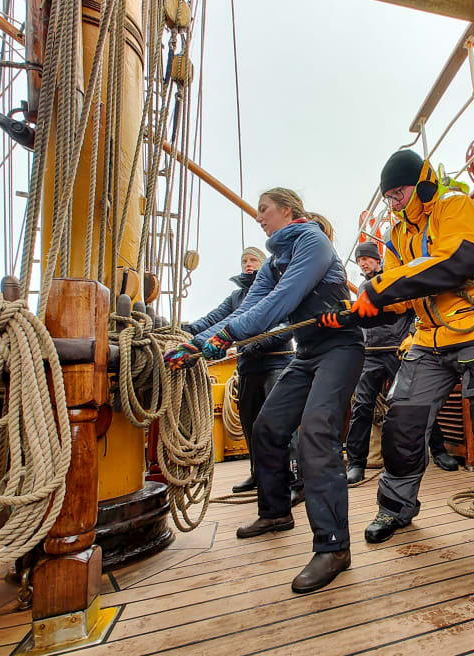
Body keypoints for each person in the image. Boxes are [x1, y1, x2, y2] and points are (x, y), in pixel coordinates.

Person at [325, 150, 474, 595]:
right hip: (430, 338)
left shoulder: (456, 207)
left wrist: (379, 287)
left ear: (423, 181)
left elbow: (458, 262)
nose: (394, 202)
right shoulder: (396, 234)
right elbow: (397, 297)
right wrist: (355, 314)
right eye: (389, 196)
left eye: (400, 192)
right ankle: (396, 507)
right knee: (402, 425)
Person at [166, 188, 363, 594]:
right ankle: (275, 513)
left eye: (264, 210)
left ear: (287, 211)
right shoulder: (274, 261)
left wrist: (227, 336)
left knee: (316, 435)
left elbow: (282, 300)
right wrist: (197, 341)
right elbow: (245, 309)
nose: (258, 217)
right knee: (268, 429)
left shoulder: (312, 241)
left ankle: (334, 547)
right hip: (307, 354)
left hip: (341, 348)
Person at [182, 248, 296, 498]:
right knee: (251, 424)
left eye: (253, 259)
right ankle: (259, 473)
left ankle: (293, 475)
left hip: (276, 365)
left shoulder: (276, 291)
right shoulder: (236, 298)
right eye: (244, 260)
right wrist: (189, 332)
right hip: (248, 367)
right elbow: (216, 318)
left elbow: (287, 325)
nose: (248, 264)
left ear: (264, 264)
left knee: (280, 425)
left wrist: (257, 343)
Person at [344, 241, 460, 484]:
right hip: (370, 353)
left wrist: (409, 336)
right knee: (362, 406)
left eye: (367, 258)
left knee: (415, 400)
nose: (363, 263)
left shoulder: (396, 279)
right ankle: (356, 463)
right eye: (360, 260)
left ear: (377, 260)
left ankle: (438, 451)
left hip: (398, 350)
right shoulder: (364, 287)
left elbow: (412, 312)